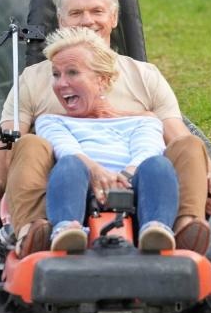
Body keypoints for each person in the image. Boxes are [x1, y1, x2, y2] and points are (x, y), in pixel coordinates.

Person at [0, 0, 211, 255]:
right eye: (76, 12)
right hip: (62, 181)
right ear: (60, 20)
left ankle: (180, 229)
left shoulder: (144, 76)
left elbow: (177, 140)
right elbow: (5, 143)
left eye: (97, 11)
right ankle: (37, 229)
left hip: (138, 177)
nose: (87, 21)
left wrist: (207, 180)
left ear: (114, 18)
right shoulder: (35, 79)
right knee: (29, 143)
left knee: (190, 144)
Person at [36, 27, 178, 253]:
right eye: (56, 74)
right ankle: (67, 230)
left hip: (133, 186)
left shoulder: (142, 121)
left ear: (102, 81)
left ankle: (156, 229)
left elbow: (148, 149)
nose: (61, 83)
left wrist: (123, 177)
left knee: (158, 165)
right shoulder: (51, 121)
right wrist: (95, 171)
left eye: (72, 72)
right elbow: (65, 148)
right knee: (71, 163)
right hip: (80, 190)